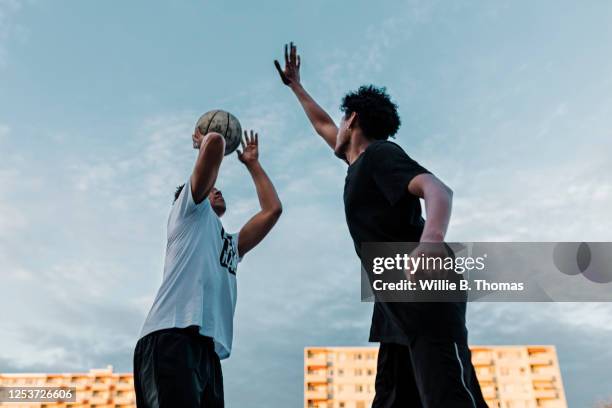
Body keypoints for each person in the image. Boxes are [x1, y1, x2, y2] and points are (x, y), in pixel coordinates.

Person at [275, 43, 487, 408]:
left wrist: (432, 240)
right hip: (395, 302)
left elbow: (437, 189)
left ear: (353, 119)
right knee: (392, 398)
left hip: (425, 283)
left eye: (342, 120)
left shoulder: (381, 154)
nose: (335, 126)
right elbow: (323, 125)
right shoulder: (358, 163)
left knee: (447, 393)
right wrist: (296, 86)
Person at [133, 128, 282, 408]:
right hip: (170, 337)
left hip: (206, 350)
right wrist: (204, 144)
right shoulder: (188, 212)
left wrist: (253, 164)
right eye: (211, 188)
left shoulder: (230, 245)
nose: (217, 189)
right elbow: (215, 142)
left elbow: (272, 210)